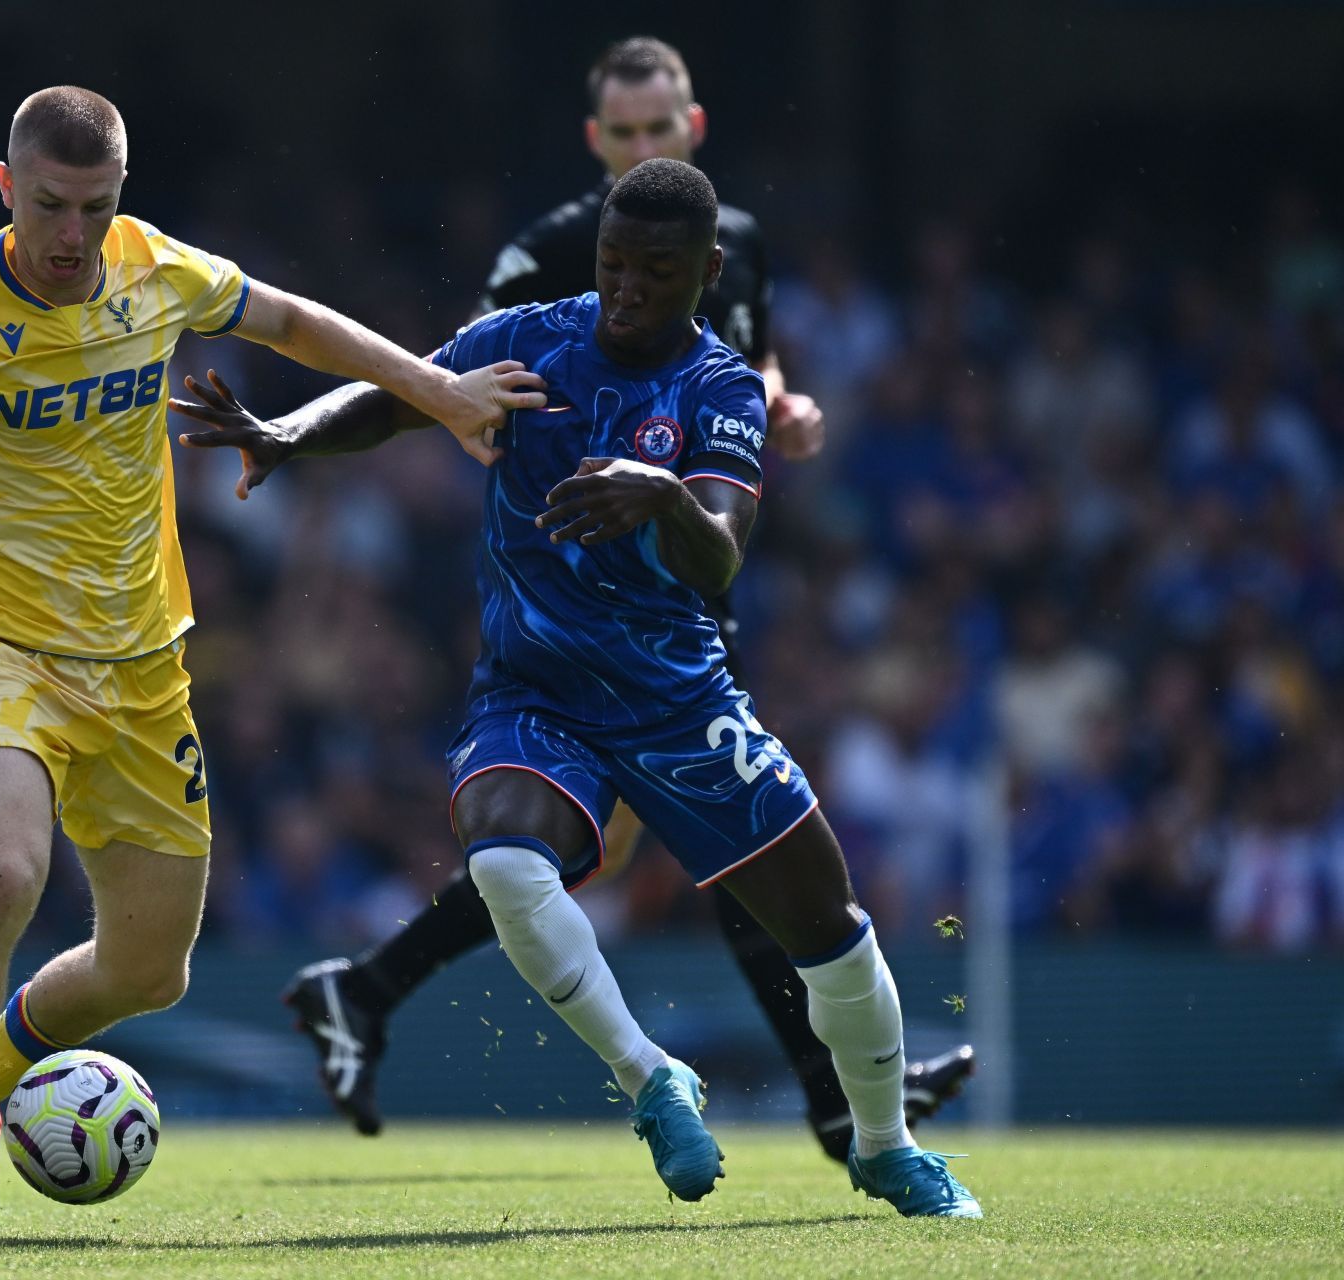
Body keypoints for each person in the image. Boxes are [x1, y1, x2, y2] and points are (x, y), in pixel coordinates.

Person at [0, 86, 543, 1250]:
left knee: (150, 970)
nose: (72, 232)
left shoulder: (154, 269)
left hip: (145, 669)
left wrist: (439, 393)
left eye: (94, 205)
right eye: (48, 204)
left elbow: (291, 321)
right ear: (7, 188)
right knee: (4, 872)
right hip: (3, 654)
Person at [175, 158, 981, 1217]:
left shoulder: (720, 387)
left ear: (710, 269)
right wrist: (293, 431)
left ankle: (884, 1144)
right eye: (613, 262)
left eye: (656, 269)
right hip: (536, 697)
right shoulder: (530, 338)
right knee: (505, 859)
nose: (629, 286)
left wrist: (658, 494)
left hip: (681, 703)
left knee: (831, 931)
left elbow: (720, 558)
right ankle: (652, 1076)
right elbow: (405, 395)